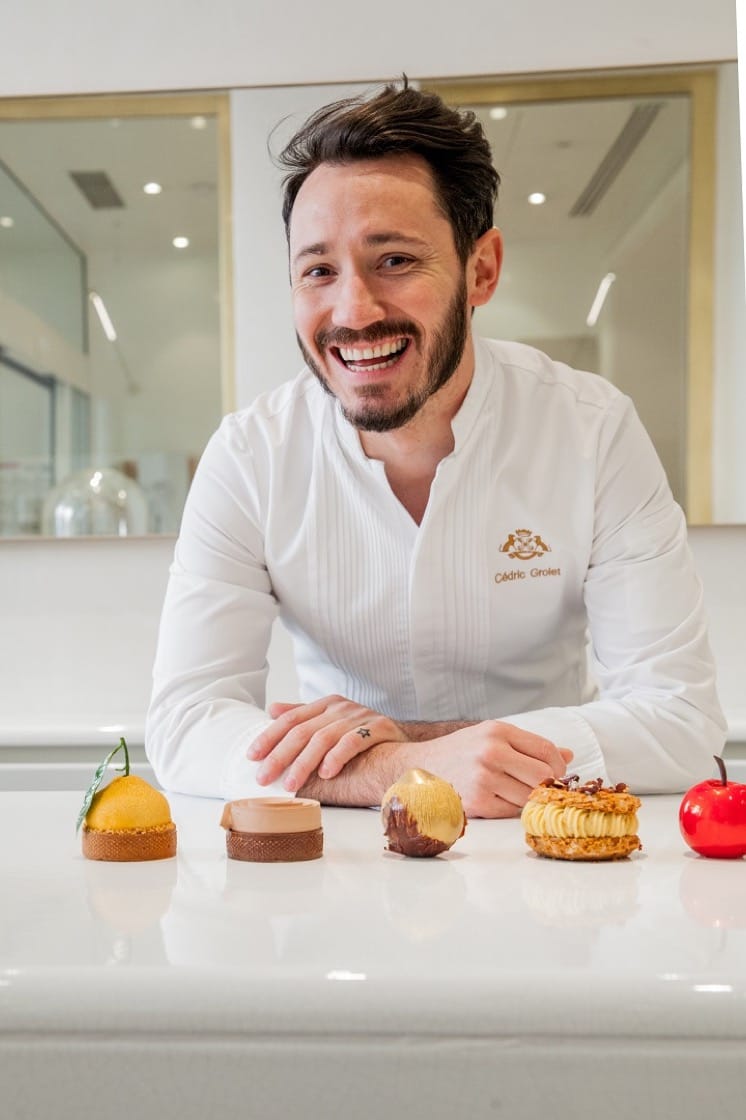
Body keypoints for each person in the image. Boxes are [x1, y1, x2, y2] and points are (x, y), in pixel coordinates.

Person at [145, 78, 726, 818]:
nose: (352, 311)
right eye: (319, 270)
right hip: (339, 868)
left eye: (394, 261)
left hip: (545, 861)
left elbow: (683, 728)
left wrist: (425, 748)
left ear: (480, 270)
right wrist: (407, 765)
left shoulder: (592, 430)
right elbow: (184, 725)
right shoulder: (250, 457)